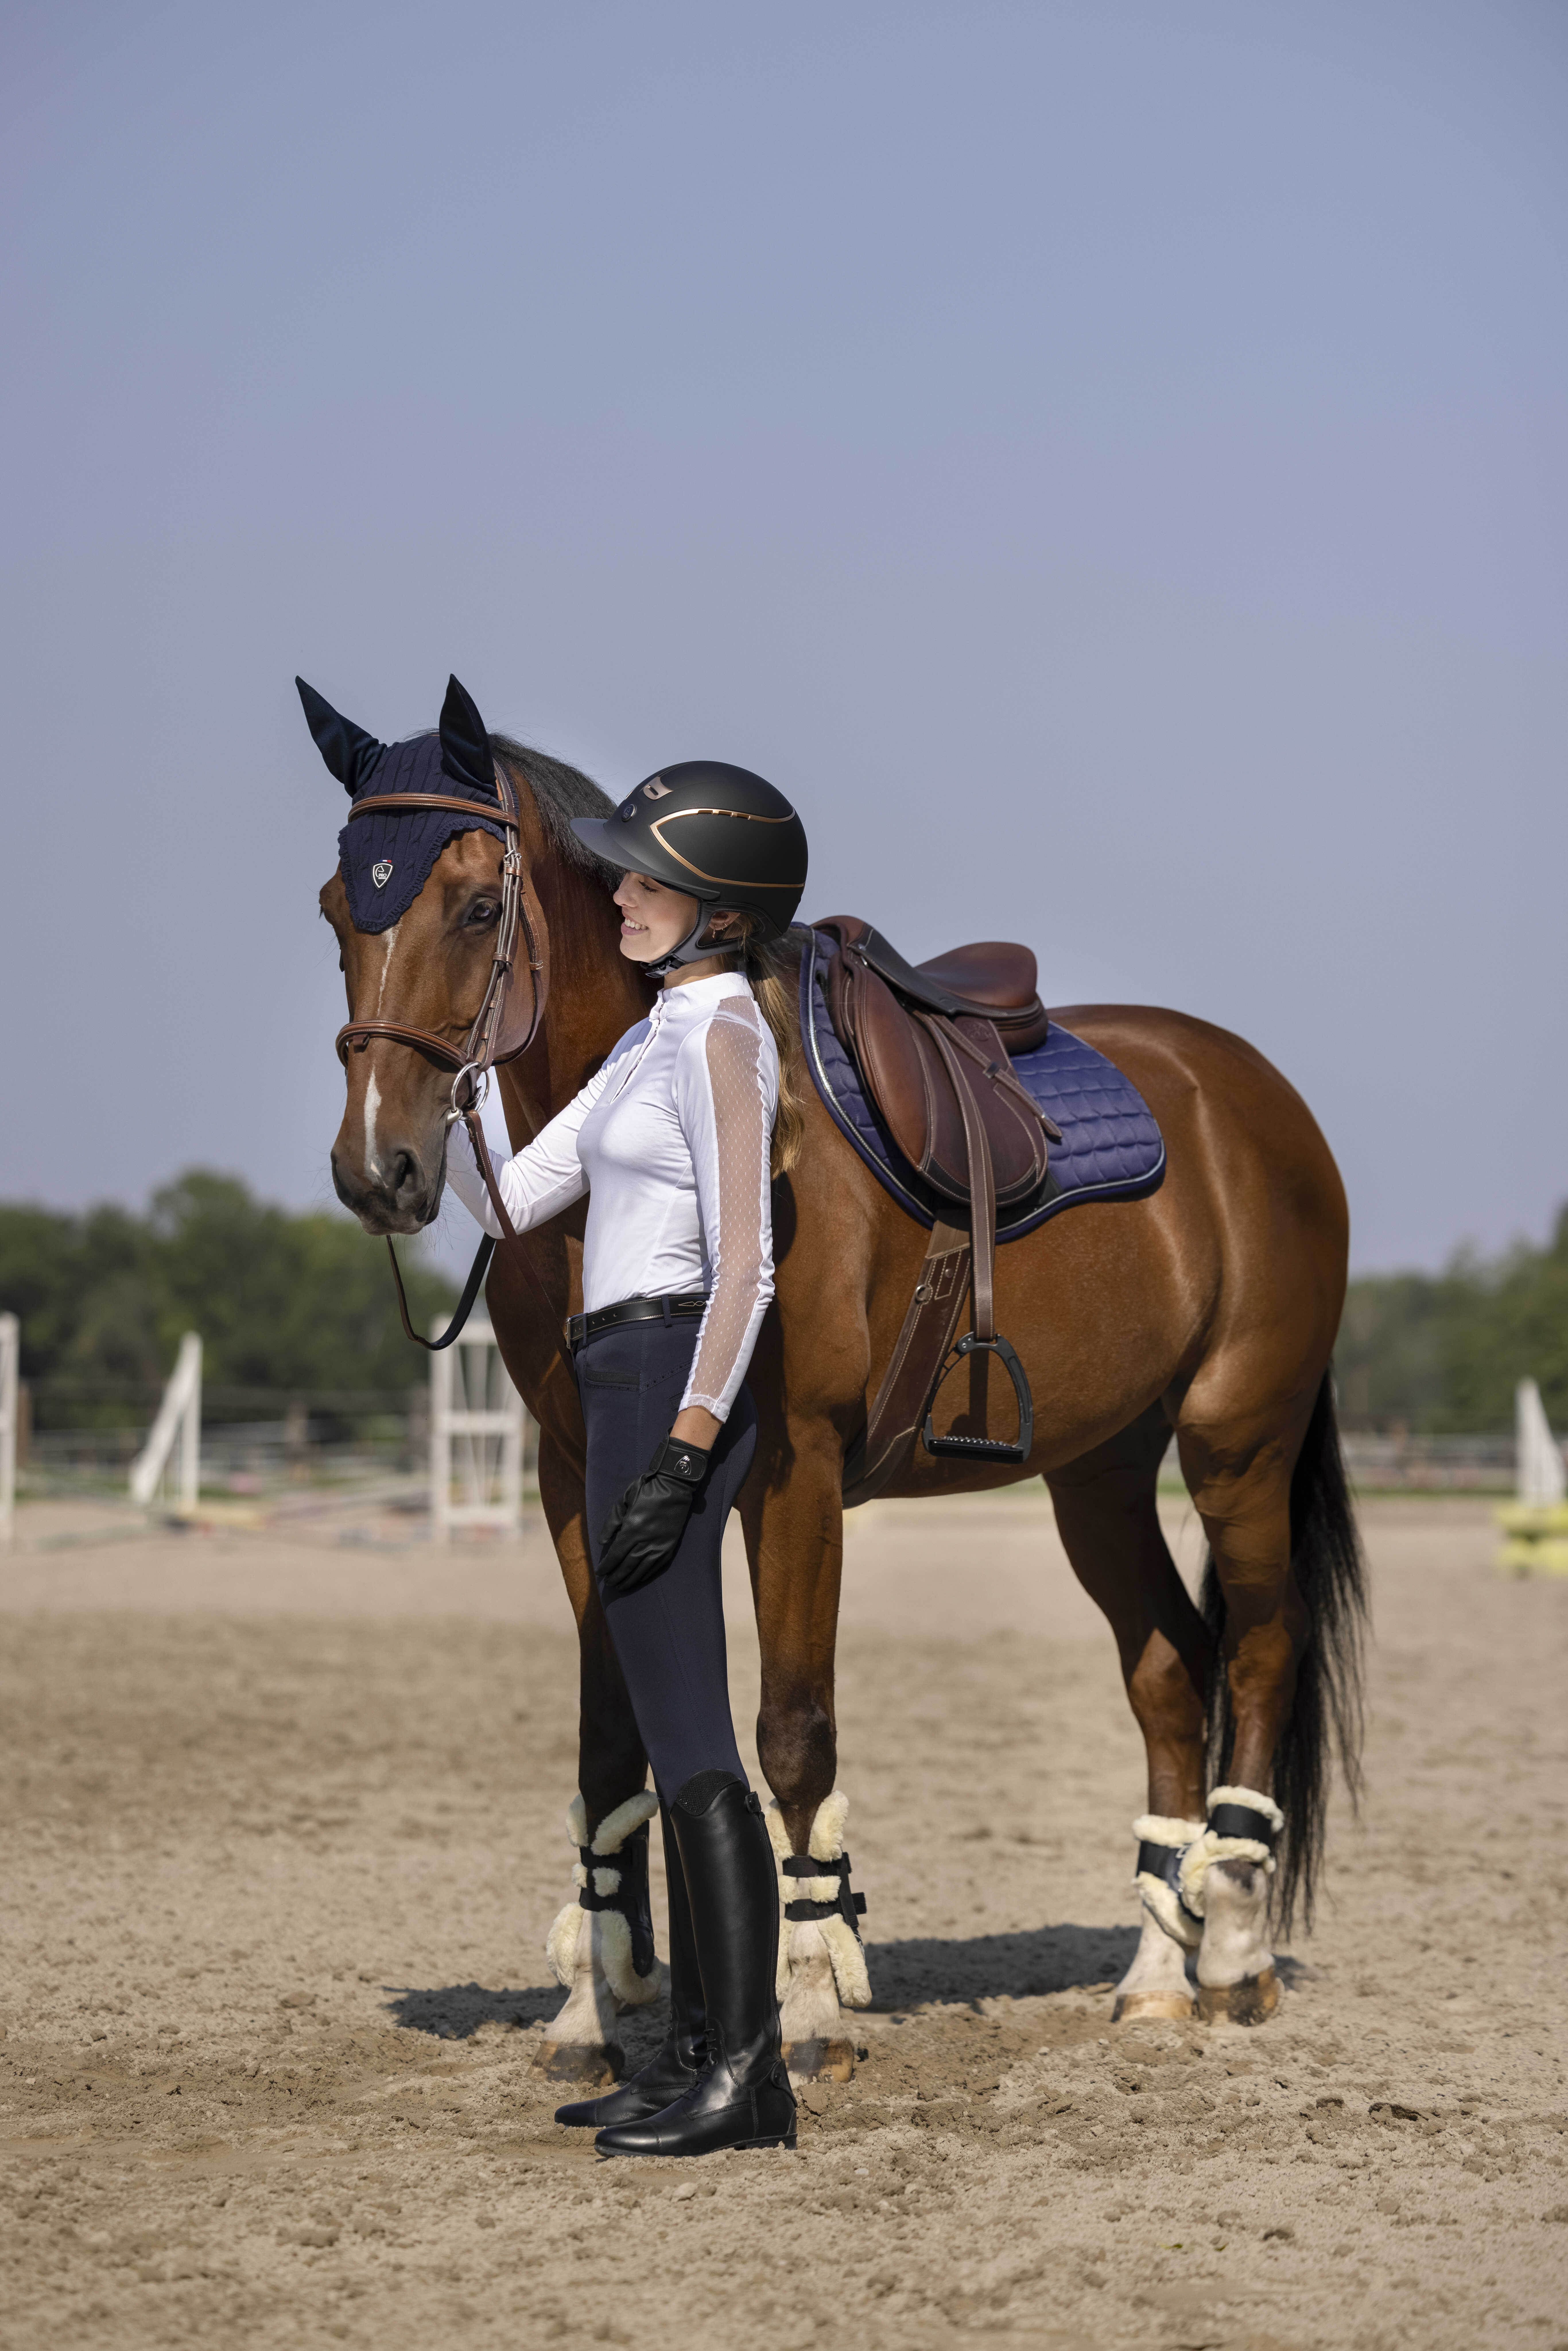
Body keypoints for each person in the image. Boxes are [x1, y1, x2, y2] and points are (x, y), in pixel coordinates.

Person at [445, 760, 809, 2159]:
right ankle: (695, 2061)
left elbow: (746, 1266)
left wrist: (690, 1443)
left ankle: (746, 2077)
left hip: (670, 1378)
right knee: (666, 1743)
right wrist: (459, 1085)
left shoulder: (725, 1038)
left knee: (699, 1747)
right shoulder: (645, 1043)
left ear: (722, 910)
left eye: (649, 876)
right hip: (612, 1375)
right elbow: (519, 1197)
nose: (621, 893)